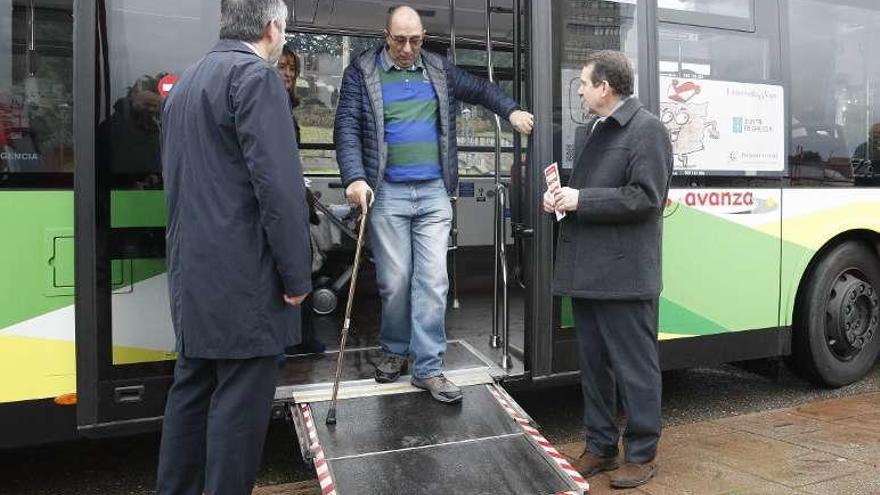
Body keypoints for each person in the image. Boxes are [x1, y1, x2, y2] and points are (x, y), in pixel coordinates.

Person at [334, 5, 534, 403]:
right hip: (386, 192)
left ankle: (428, 367)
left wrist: (510, 110)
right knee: (396, 283)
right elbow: (347, 127)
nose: (408, 48)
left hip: (434, 192)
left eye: (416, 40)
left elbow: (480, 89)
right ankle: (394, 351)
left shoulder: (438, 69)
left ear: (423, 36)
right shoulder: (362, 71)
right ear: (385, 35)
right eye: (399, 40)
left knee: (433, 281)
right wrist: (355, 178)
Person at [156, 1, 312, 494]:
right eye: (284, 29)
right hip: (245, 278)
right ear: (273, 27)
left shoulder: (185, 84)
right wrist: (296, 276)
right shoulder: (256, 79)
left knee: (192, 397)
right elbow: (279, 190)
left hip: (192, 274)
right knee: (238, 416)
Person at [544, 50, 672, 489]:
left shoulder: (648, 130)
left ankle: (641, 454)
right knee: (594, 367)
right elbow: (593, 192)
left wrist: (582, 200)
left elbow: (645, 197)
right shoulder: (593, 129)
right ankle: (600, 448)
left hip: (625, 276)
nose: (578, 89)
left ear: (605, 87)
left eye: (583, 82)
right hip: (589, 273)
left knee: (636, 369)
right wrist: (562, 198)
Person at [277, 41, 326, 355]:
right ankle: (293, 340)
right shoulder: (269, 107)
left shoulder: (285, 107)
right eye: (281, 67)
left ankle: (299, 338)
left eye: (292, 69)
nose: (288, 75)